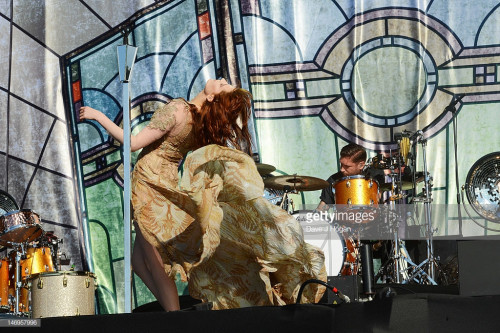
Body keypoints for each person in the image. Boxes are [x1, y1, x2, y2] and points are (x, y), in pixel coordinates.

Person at [80, 78, 326, 311]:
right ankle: (170, 311)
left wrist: (98, 115)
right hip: (160, 181)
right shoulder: (199, 123)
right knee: (138, 262)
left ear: (211, 98)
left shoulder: (177, 109)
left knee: (154, 259)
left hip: (150, 182)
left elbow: (132, 143)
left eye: (223, 85)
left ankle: (173, 315)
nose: (221, 80)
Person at [316, 143, 385, 212]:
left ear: (361, 165)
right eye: (341, 164)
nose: (342, 169)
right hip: (343, 220)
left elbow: (378, 198)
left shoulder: (375, 175)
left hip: (372, 219)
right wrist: (317, 214)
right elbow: (322, 207)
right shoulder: (334, 180)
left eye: (347, 166)